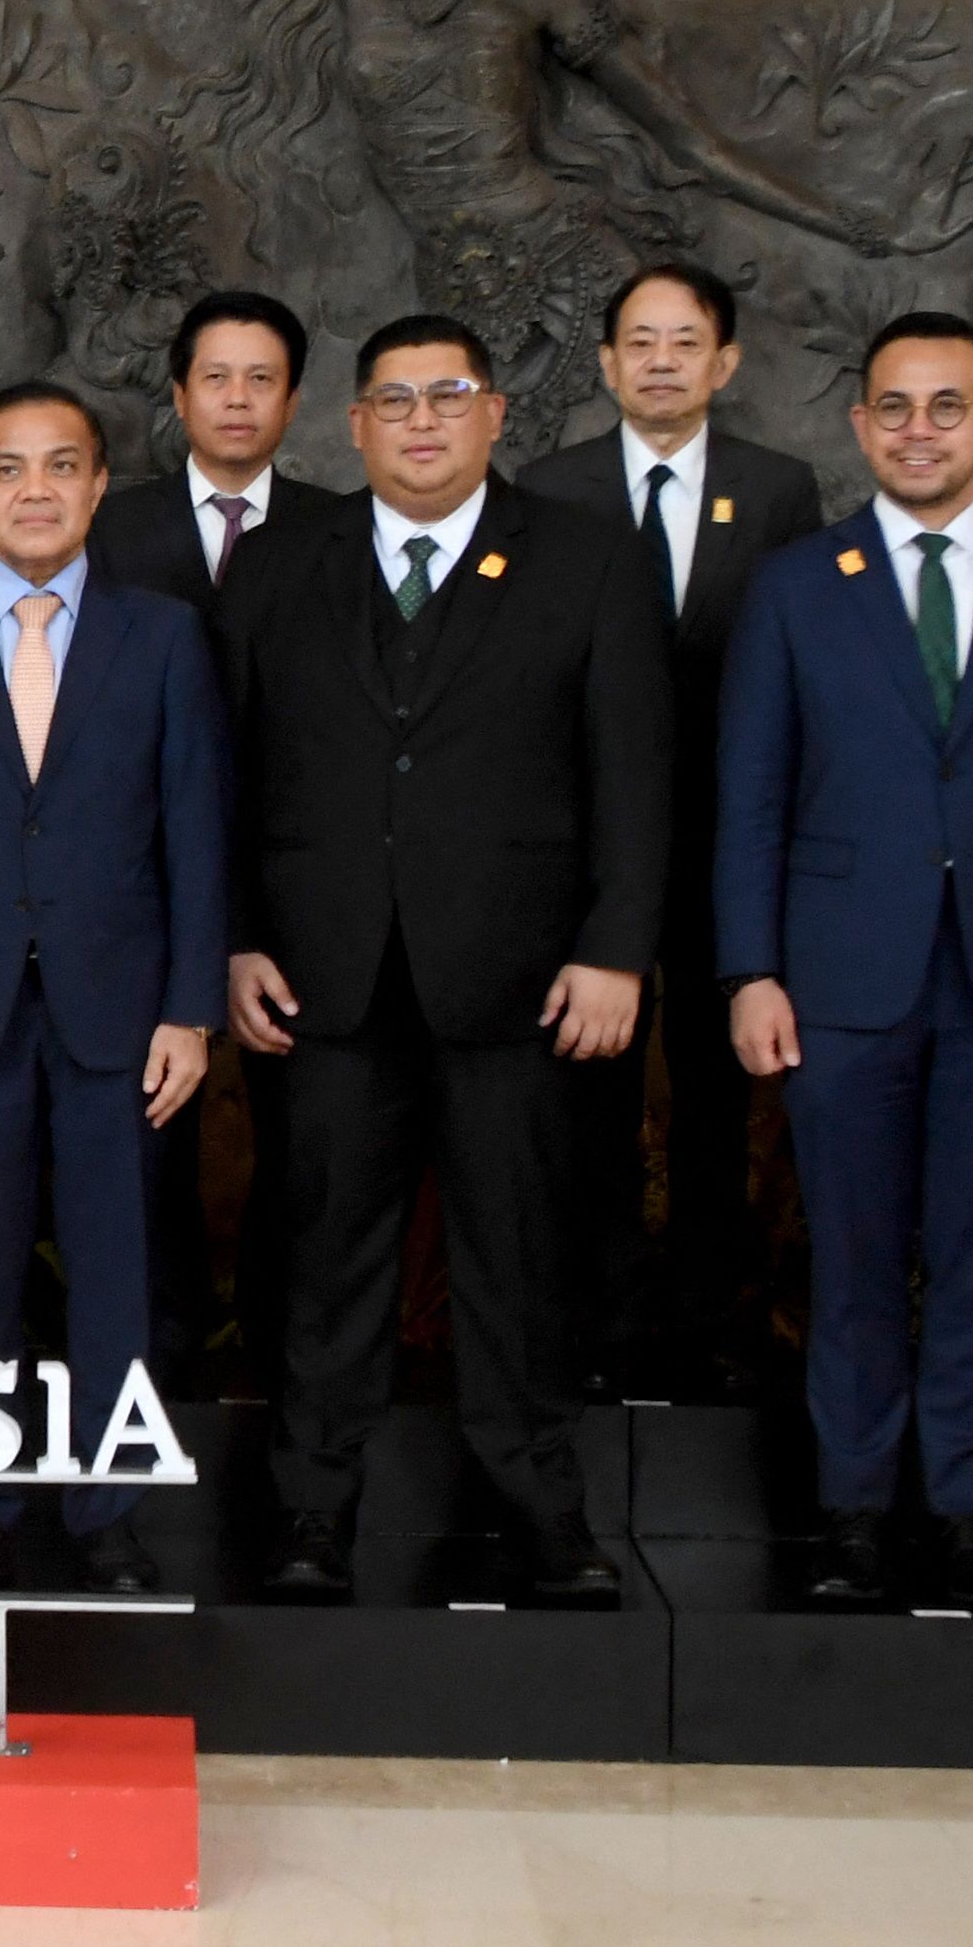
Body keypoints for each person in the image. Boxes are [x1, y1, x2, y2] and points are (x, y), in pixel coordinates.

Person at [215, 316, 666, 1608]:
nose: (422, 420)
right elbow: (228, 771)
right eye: (396, 400)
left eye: (448, 395)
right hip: (324, 978)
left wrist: (615, 949)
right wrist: (236, 938)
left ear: (496, 414)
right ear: (354, 425)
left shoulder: (587, 560)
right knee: (325, 1258)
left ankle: (541, 1512)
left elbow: (635, 772)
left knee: (517, 1257)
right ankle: (312, 1510)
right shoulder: (278, 563)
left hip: (521, 982)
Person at [718, 314, 973, 1615]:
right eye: (894, 407)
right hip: (840, 977)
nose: (919, 430)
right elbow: (752, 799)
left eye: (946, 407)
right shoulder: (797, 584)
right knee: (848, 1260)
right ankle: (850, 1513)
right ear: (860, 427)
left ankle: (963, 1512)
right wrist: (751, 971)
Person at [0, 381, 225, 1595]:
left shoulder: (162, 635)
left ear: (98, 484)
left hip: (122, 1014)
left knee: (117, 1271)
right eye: (8, 470)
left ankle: (107, 1510)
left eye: (60, 466)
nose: (35, 490)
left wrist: (189, 1009)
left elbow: (196, 834)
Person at [515, 263, 832, 1395]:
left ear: (724, 363)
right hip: (585, 849)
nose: (661, 362)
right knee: (590, 1088)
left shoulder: (779, 489)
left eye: (684, 342)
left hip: (722, 843)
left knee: (714, 1087)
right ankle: (598, 1320)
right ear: (606, 364)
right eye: (640, 342)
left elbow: (796, 670)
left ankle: (707, 1319)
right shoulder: (550, 487)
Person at [88, 287, 362, 1388]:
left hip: (302, 883)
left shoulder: (345, 531)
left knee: (304, 1137)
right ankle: (160, 1345)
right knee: (145, 1124)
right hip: (136, 880)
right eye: (217, 377)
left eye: (262, 379)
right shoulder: (109, 529)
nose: (238, 399)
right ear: (179, 393)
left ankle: (279, 1346)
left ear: (294, 400)